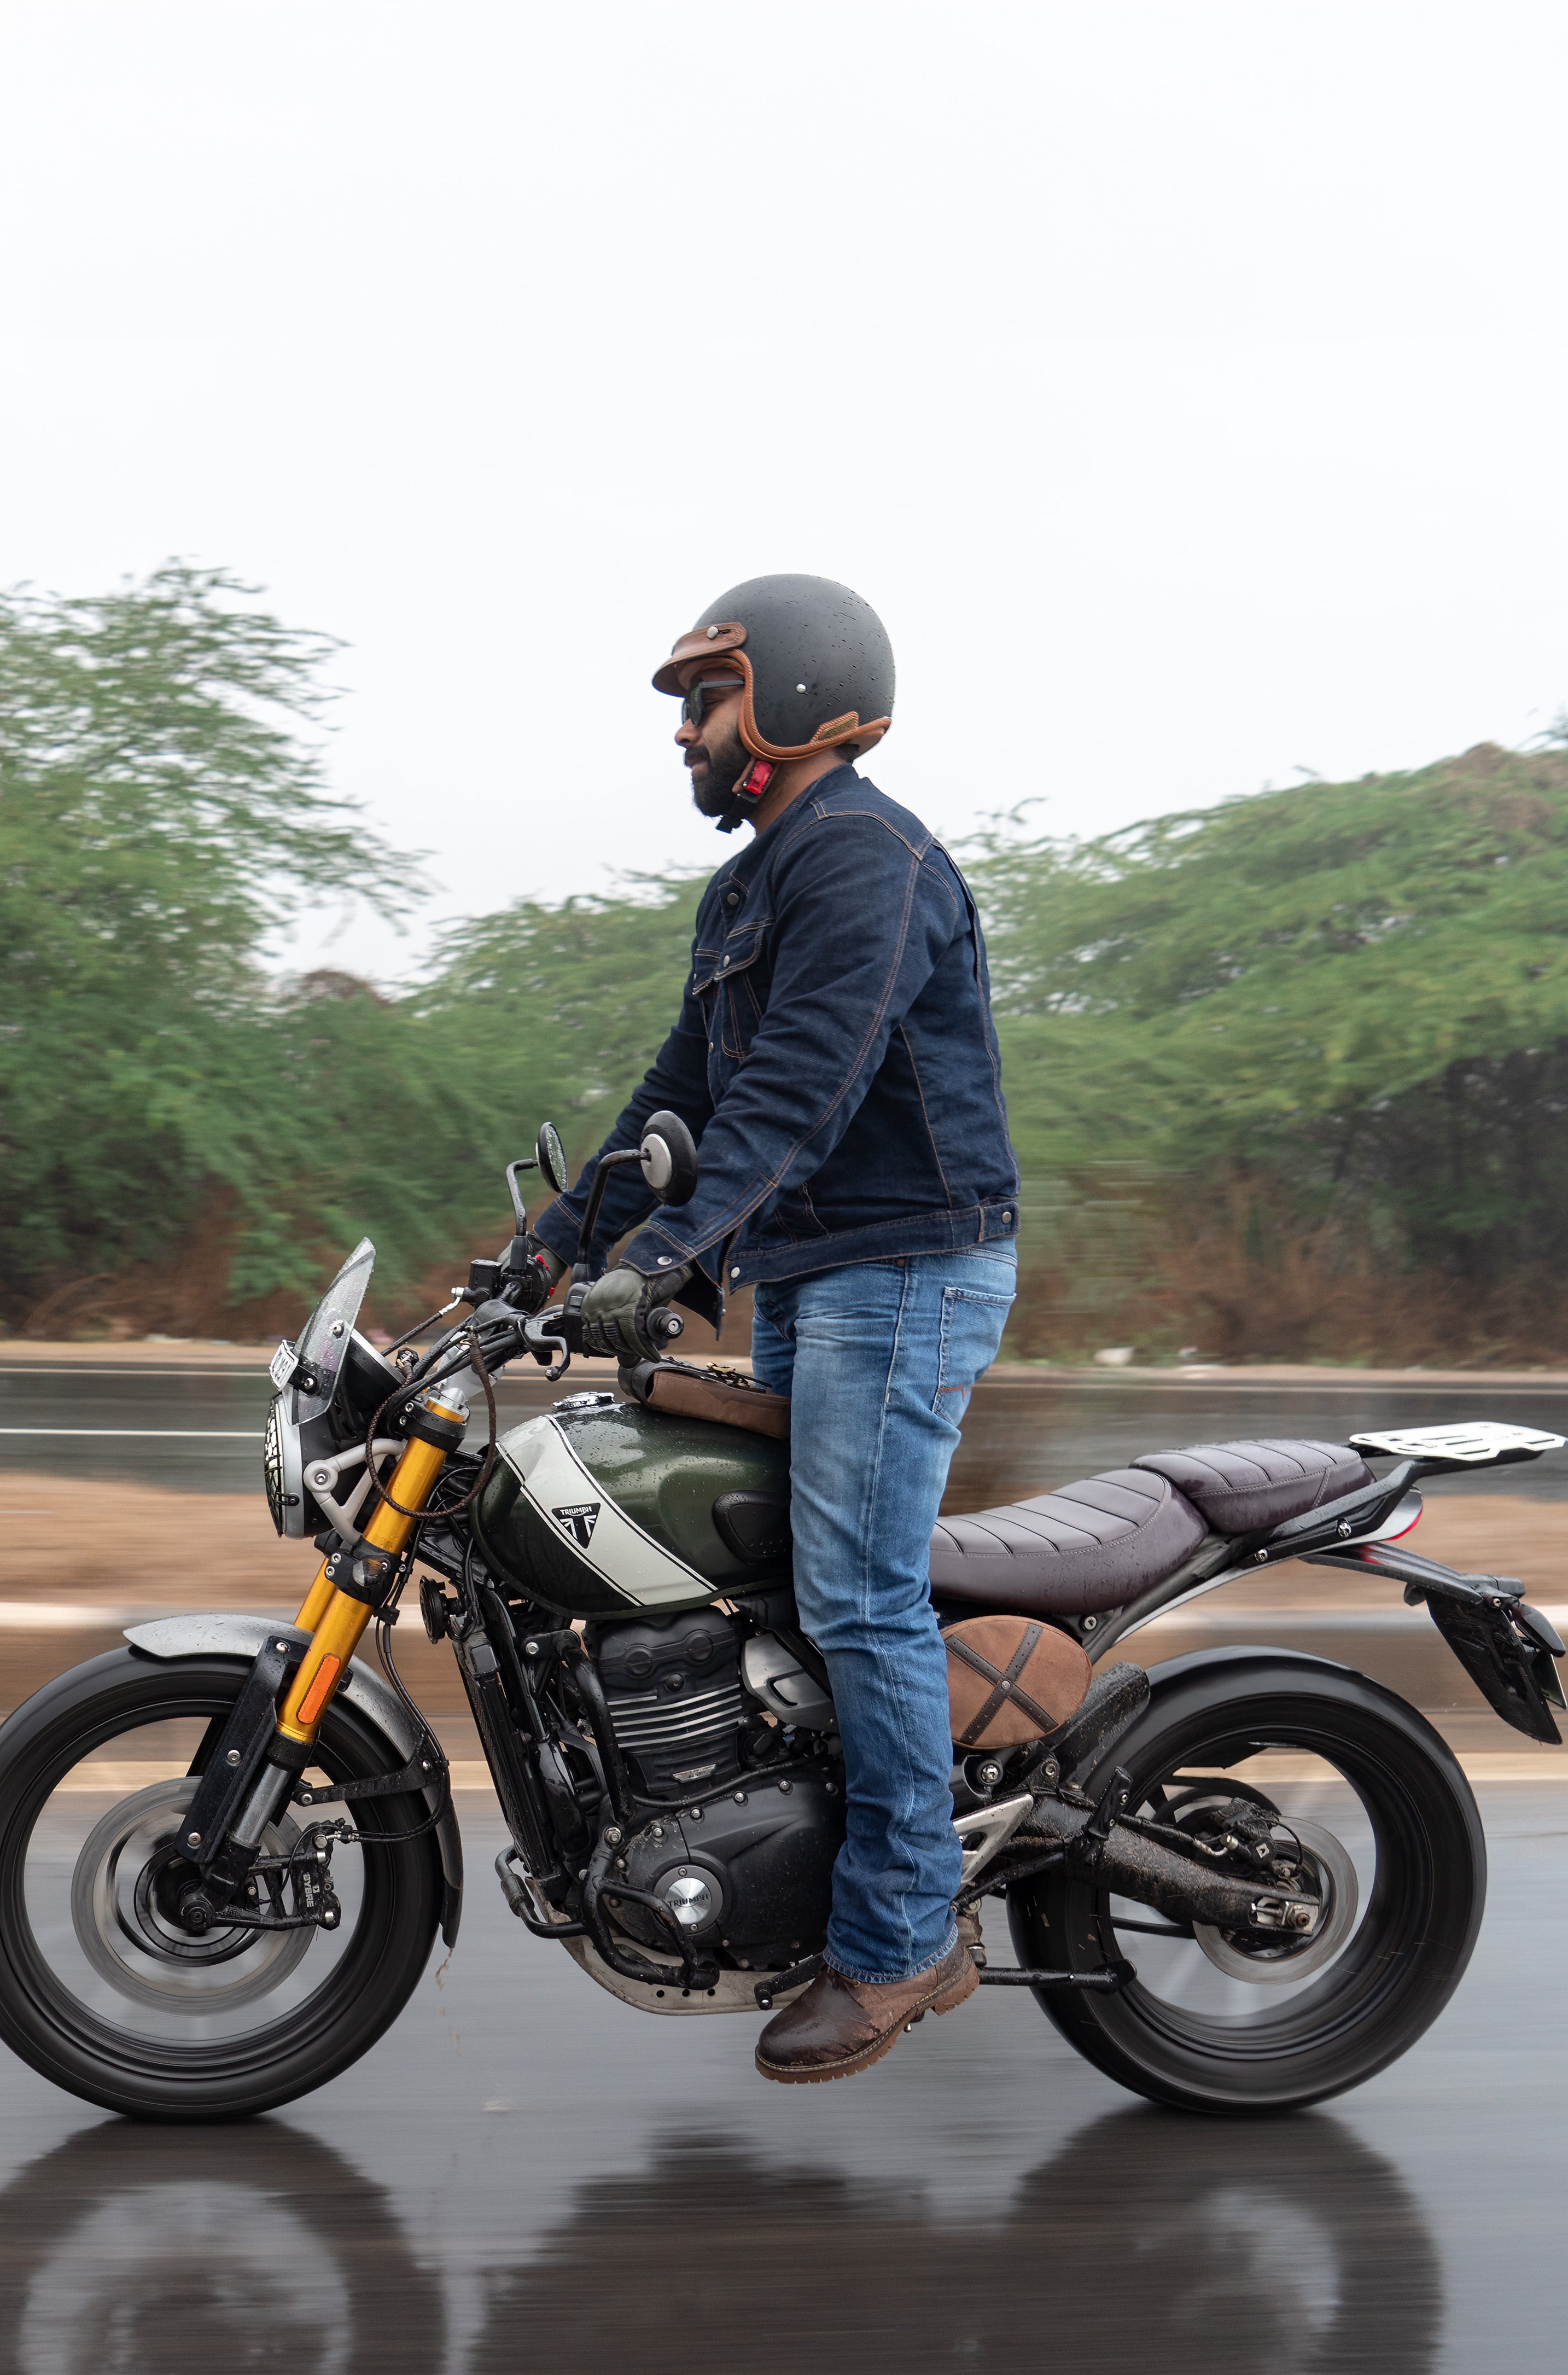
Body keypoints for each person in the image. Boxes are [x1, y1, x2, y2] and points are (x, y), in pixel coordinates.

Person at [529, 574, 1021, 2083]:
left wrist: (672, 1251)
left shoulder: (864, 858)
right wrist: (543, 1258)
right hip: (821, 1272)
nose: (687, 730)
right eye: (685, 704)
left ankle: (897, 1941)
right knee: (783, 1581)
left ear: (798, 700)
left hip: (907, 1266)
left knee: (857, 1596)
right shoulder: (750, 886)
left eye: (708, 697)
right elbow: (675, 1098)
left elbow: (799, 1088)